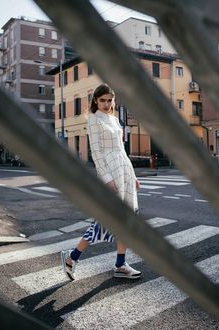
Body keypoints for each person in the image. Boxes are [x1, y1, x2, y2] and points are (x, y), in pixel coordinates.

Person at [61, 83, 142, 280]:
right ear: (96, 101)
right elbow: (96, 154)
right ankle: (72, 258)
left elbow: (122, 150)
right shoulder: (94, 121)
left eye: (109, 100)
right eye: (102, 100)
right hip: (110, 172)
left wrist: (133, 176)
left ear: (113, 100)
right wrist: (107, 179)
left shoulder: (115, 120)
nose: (106, 104)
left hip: (123, 169)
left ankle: (120, 264)